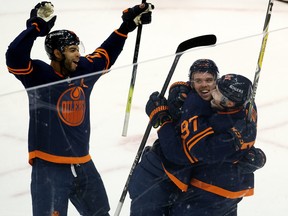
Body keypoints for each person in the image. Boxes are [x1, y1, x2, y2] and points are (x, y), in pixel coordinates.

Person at [6, 1, 154, 216]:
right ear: (57, 53)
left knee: (100, 214)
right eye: (72, 50)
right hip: (49, 167)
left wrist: (126, 26)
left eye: (78, 49)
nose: (78, 55)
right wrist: (35, 27)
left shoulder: (82, 70)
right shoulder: (38, 75)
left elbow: (105, 54)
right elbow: (14, 57)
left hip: (83, 162)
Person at [129, 59, 265, 215]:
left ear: (229, 102)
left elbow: (183, 154)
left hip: (201, 188)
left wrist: (163, 119)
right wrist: (178, 90)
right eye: (197, 81)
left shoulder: (205, 113)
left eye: (210, 81)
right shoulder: (241, 104)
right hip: (158, 175)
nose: (207, 88)